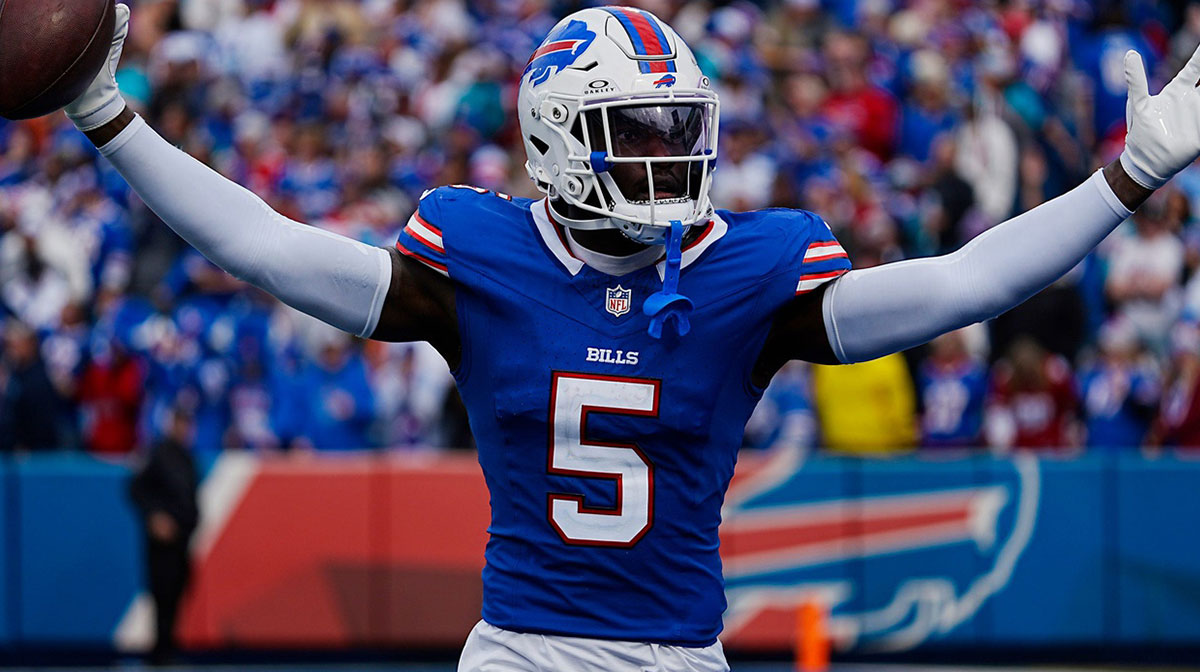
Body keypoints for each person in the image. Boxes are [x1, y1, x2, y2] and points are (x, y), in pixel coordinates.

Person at [57, 5, 1194, 671]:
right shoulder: (475, 257)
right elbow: (267, 246)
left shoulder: (749, 271)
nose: (669, 153)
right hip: (522, 654)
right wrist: (113, 119)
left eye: (677, 127)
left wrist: (1127, 176)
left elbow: (963, 282)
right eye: (636, 129)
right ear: (557, 139)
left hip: (681, 659)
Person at [129, 404, 200, 666]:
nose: (184, 429)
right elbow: (136, 489)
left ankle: (169, 647)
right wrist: (155, 516)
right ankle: (159, 652)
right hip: (161, 544)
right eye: (180, 423)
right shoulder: (158, 453)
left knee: (179, 593)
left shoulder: (188, 457)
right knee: (162, 594)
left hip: (182, 540)